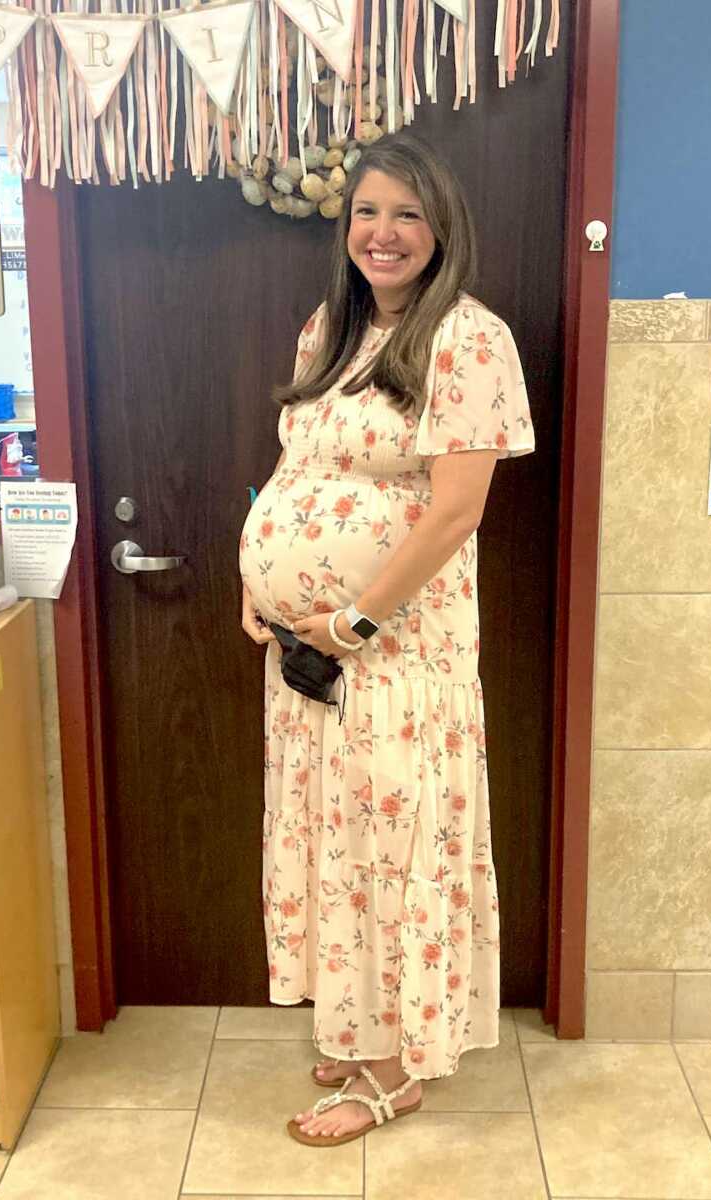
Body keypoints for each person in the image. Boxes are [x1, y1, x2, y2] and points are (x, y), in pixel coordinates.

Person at [238, 132, 535, 1148]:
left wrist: (359, 617)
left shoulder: (469, 339)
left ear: (440, 227)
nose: (383, 233)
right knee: (335, 845)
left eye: (406, 214)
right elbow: (299, 472)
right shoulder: (332, 328)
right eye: (367, 213)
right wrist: (261, 591)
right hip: (309, 657)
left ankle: (392, 1068)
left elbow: (456, 512)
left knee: (388, 851)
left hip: (397, 661)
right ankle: (360, 1025)